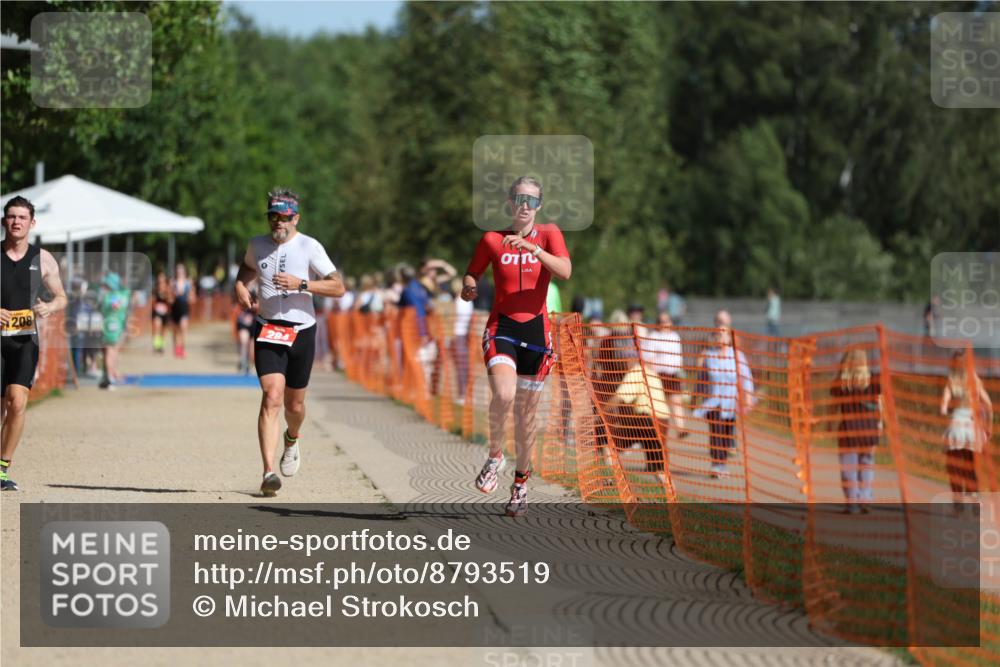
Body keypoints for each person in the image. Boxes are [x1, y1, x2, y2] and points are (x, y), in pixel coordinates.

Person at [462, 176, 571, 517]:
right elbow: (472, 273)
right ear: (510, 203)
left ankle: (521, 485)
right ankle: (495, 455)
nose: (525, 206)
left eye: (532, 201)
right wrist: (469, 288)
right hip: (503, 328)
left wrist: (534, 249)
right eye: (520, 199)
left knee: (525, 418)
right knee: (504, 394)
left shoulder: (549, 234)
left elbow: (565, 270)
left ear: (539, 206)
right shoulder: (492, 239)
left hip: (537, 333)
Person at [234, 188, 345, 497]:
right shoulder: (257, 245)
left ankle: (292, 437)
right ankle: (268, 472)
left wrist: (303, 284)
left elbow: (338, 288)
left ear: (296, 218)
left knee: (294, 406)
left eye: (284, 217)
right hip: (268, 328)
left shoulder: (310, 246)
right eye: (273, 217)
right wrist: (240, 285)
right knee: (272, 396)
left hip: (302, 331)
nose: (277, 223)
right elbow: (247, 267)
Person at [1, 196, 68, 491]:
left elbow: (62, 297)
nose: (16, 222)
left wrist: (49, 307)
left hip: (25, 340)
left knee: (17, 402)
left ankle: (2, 469)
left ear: (32, 223)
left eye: (22, 217)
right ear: (4, 221)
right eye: (11, 216)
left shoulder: (42, 259)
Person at [693, 324, 755, 478]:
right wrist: (695, 398)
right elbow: (701, 378)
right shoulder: (709, 356)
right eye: (718, 334)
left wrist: (748, 397)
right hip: (712, 402)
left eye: (724, 333)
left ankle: (722, 464)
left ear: (729, 337)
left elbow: (746, 377)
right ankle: (716, 465)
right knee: (716, 432)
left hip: (730, 403)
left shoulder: (737, 356)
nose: (720, 336)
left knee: (727, 435)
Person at [829, 348, 882, 514]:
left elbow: (834, 407)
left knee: (848, 467)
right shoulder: (873, 381)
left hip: (849, 431)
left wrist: (829, 423)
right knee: (867, 465)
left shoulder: (841, 384)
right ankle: (865, 498)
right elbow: (880, 403)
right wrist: (880, 423)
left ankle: (852, 501)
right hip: (870, 430)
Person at [940, 350, 993, 513]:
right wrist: (989, 428)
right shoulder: (975, 381)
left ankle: (958, 504)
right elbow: (989, 406)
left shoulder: (951, 381)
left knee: (954, 467)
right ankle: (975, 501)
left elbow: (943, 408)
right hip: (972, 430)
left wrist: (947, 412)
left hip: (956, 428)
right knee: (971, 467)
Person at [638, 310, 688, 439]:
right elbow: (648, 357)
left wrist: (682, 374)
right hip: (658, 375)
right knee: (658, 405)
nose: (664, 324)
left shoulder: (675, 337)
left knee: (676, 401)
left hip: (673, 374)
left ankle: (680, 429)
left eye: (666, 321)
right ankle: (657, 432)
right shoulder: (653, 336)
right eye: (661, 321)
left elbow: (679, 358)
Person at [98, 272, 131, 390]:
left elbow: (114, 306)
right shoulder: (123, 295)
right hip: (116, 326)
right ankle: (110, 375)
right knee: (112, 351)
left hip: (112, 326)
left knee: (110, 351)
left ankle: (110, 377)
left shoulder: (112, 296)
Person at [171, 263, 194, 358]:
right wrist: (173, 294)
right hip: (175, 308)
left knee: (183, 328)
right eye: (178, 270)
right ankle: (177, 349)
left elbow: (193, 296)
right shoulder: (173, 282)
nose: (179, 272)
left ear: (184, 272)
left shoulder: (188, 282)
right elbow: (170, 297)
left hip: (184, 307)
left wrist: (189, 297)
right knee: (176, 330)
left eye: (181, 270)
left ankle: (183, 349)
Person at [235, 289, 256, 375]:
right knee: (244, 342)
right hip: (243, 322)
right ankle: (242, 362)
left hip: (255, 322)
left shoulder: (260, 289)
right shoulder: (241, 287)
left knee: (252, 349)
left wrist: (254, 306)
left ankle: (249, 365)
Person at [151, 271, 173, 354]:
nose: (160, 279)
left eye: (162, 278)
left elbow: (171, 300)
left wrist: (168, 297)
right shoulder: (155, 289)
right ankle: (156, 345)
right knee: (157, 326)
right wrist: (155, 306)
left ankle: (161, 346)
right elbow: (152, 301)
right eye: (159, 278)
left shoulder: (168, 289)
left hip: (166, 313)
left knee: (163, 330)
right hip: (157, 312)